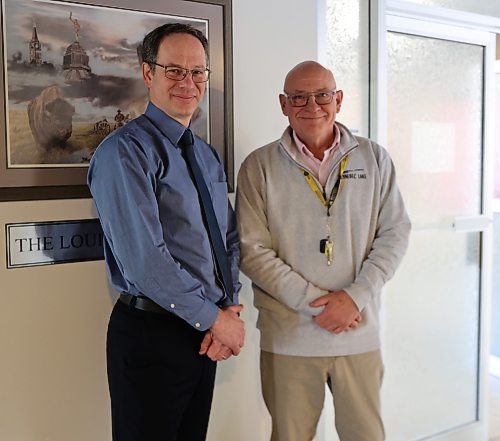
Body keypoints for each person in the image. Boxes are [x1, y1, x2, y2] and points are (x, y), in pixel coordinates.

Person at [236, 61, 411, 441]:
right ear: (283, 104)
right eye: (298, 97)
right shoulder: (258, 167)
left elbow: (395, 232)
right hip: (289, 340)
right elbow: (252, 251)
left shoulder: (374, 159)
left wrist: (354, 298)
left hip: (358, 332)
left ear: (339, 100)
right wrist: (321, 304)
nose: (311, 106)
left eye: (322, 95)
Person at [88, 23, 245, 441]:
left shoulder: (206, 155)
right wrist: (216, 318)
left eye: (197, 72)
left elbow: (226, 238)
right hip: (151, 337)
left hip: (203, 334)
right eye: (173, 70)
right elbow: (145, 261)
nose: (188, 82)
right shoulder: (124, 153)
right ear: (148, 73)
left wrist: (228, 306)